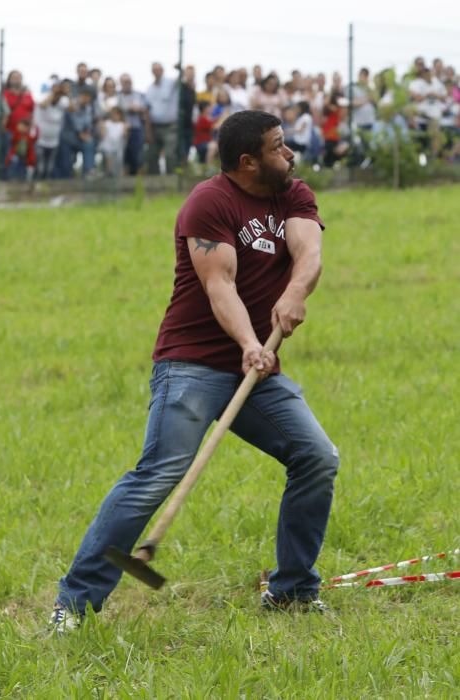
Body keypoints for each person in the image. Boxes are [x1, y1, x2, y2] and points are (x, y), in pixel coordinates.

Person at [49, 109, 339, 631]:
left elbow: (308, 251)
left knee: (316, 457)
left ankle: (292, 589)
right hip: (192, 363)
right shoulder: (209, 203)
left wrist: (295, 293)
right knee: (158, 472)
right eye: (278, 146)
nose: (289, 153)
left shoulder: (293, 193)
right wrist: (250, 343)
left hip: (258, 371)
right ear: (247, 161)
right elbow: (219, 284)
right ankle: (73, 605)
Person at [145, 62, 179, 174]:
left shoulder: (171, 83)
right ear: (152, 72)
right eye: (154, 69)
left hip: (170, 126)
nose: (156, 71)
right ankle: (155, 182)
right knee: (152, 155)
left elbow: (182, 79)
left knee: (169, 154)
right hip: (154, 127)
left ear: (162, 70)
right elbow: (147, 110)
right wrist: (148, 131)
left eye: (158, 69)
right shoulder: (149, 89)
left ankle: (171, 179)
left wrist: (180, 69)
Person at [118, 73, 148, 175]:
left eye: (129, 82)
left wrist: (137, 109)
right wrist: (128, 108)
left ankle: (137, 180)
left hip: (136, 128)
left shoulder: (139, 95)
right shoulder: (118, 96)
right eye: (125, 82)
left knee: (137, 155)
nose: (127, 84)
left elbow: (144, 109)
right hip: (121, 130)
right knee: (124, 156)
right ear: (121, 83)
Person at [98, 105, 128, 177]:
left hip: (118, 147)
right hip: (108, 146)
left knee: (118, 162)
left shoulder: (123, 125)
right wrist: (102, 127)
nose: (115, 116)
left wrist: (126, 130)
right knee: (108, 154)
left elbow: (125, 137)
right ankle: (109, 171)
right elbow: (103, 135)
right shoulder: (106, 123)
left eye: (117, 114)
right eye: (113, 114)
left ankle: (117, 174)